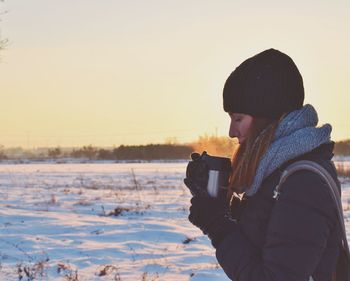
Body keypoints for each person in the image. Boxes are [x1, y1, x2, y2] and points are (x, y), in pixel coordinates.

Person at [184, 48, 347, 281]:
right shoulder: (276, 173)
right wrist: (221, 206)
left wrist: (218, 224)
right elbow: (267, 241)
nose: (231, 132)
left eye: (238, 118)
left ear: (266, 117)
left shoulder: (303, 182)